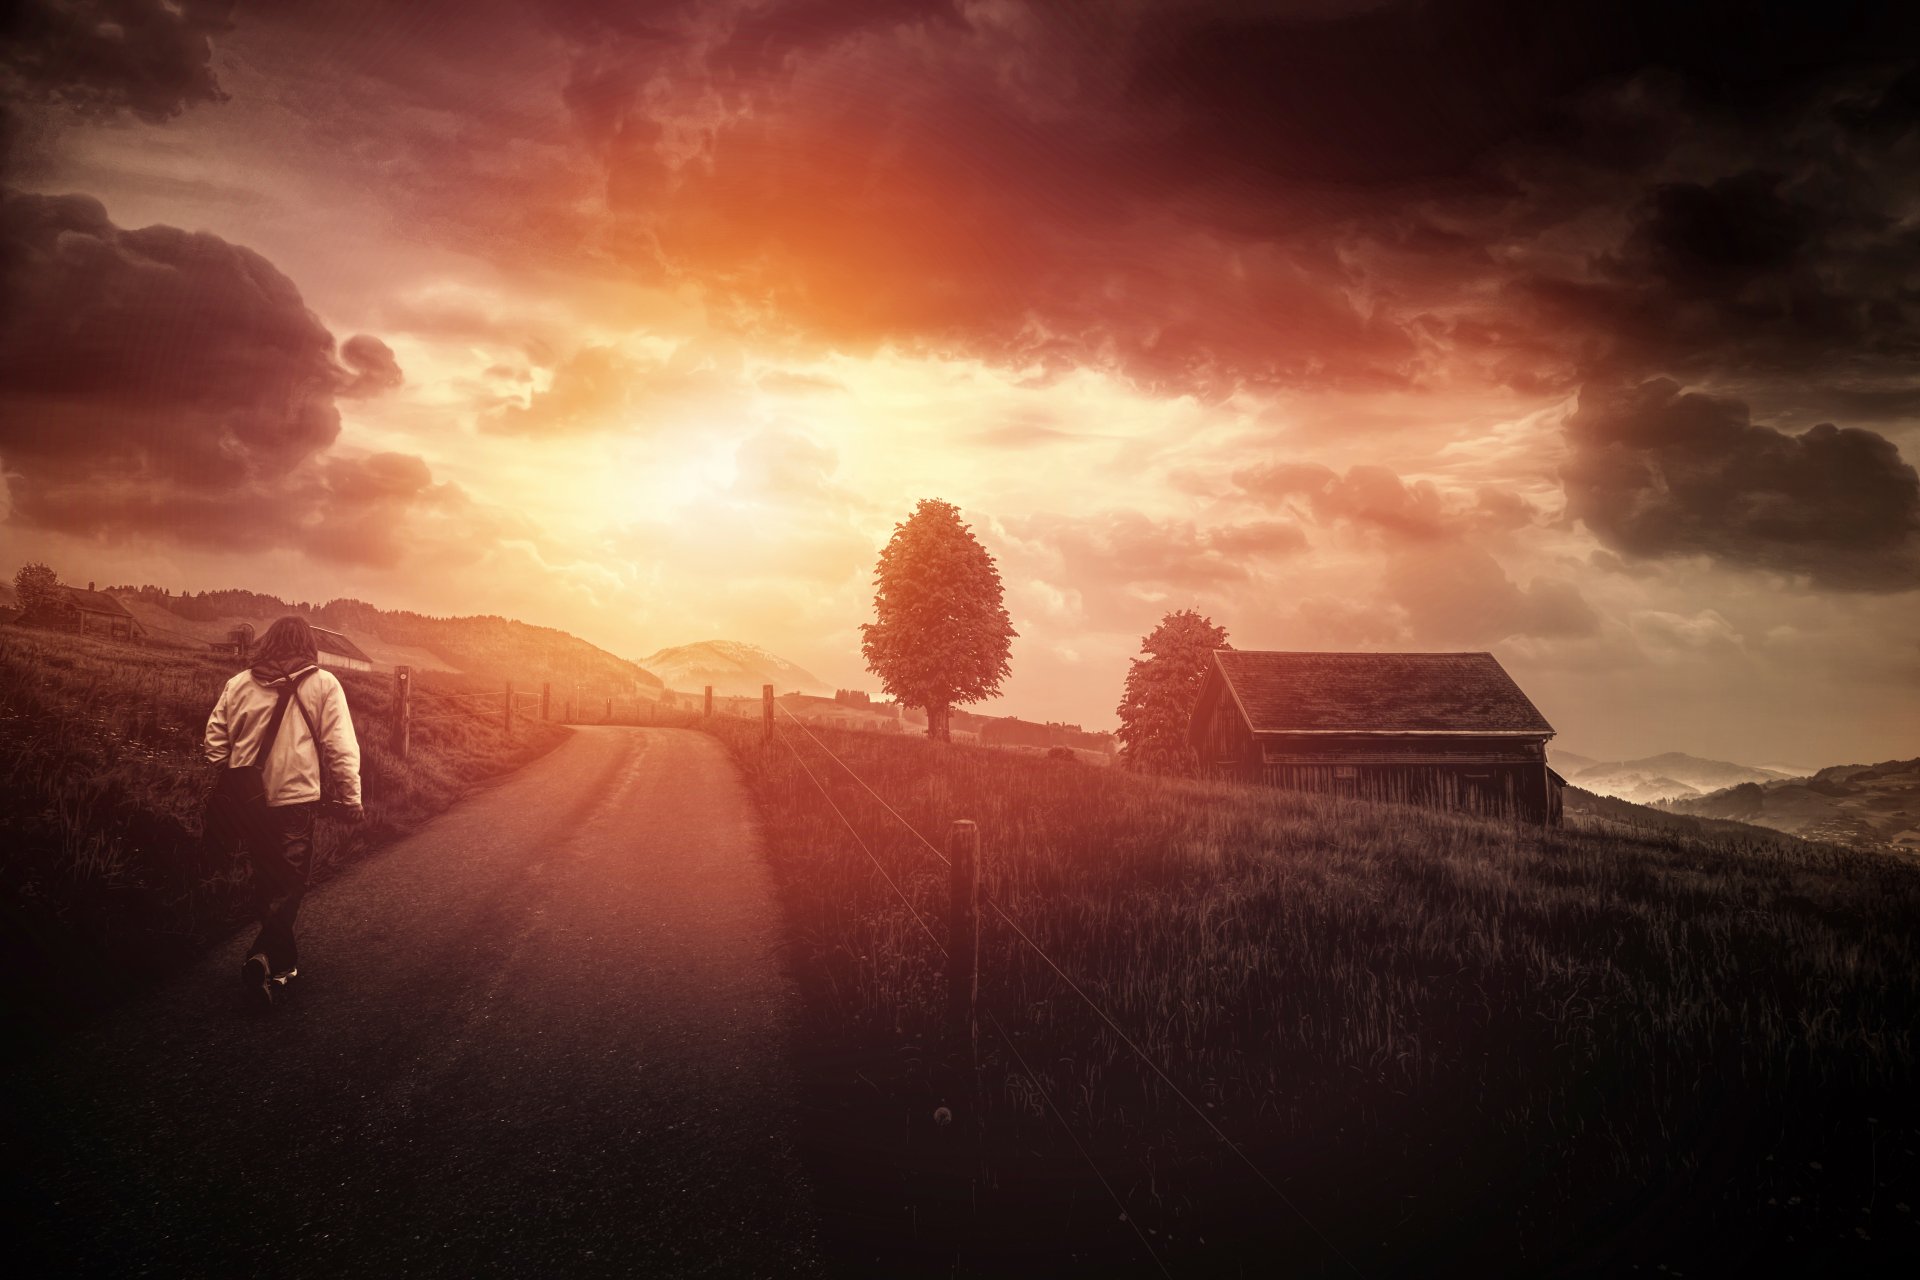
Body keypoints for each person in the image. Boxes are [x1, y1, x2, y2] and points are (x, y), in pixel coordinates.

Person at [205, 616, 363, 1007]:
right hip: (295, 801)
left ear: (269, 642)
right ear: (307, 644)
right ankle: (261, 955)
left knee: (267, 879)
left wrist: (238, 772)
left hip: (248, 802)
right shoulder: (324, 684)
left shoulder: (238, 684)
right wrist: (352, 797)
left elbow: (213, 743)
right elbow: (340, 748)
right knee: (290, 883)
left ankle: (280, 966)